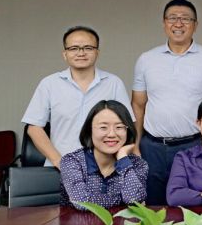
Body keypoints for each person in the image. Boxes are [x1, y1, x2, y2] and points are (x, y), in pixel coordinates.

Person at [132, 0, 202, 205]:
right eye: (172, 18)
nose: (178, 23)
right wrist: (135, 145)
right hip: (152, 147)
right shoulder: (146, 59)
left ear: (195, 25)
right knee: (152, 207)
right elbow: (138, 104)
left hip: (193, 145)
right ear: (164, 23)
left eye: (185, 19)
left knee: (192, 206)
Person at [22, 26, 133, 168]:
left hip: (105, 168)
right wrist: (59, 161)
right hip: (60, 168)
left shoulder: (113, 83)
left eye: (88, 48)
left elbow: (126, 126)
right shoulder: (49, 84)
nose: (81, 53)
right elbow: (34, 128)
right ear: (65, 54)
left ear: (97, 52)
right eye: (74, 48)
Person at [60, 100, 148, 210]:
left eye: (119, 127)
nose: (111, 134)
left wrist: (122, 159)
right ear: (89, 130)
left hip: (122, 221)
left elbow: (134, 200)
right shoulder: (72, 161)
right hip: (77, 221)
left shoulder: (138, 164)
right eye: (103, 127)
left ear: (128, 130)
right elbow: (82, 202)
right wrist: (121, 200)